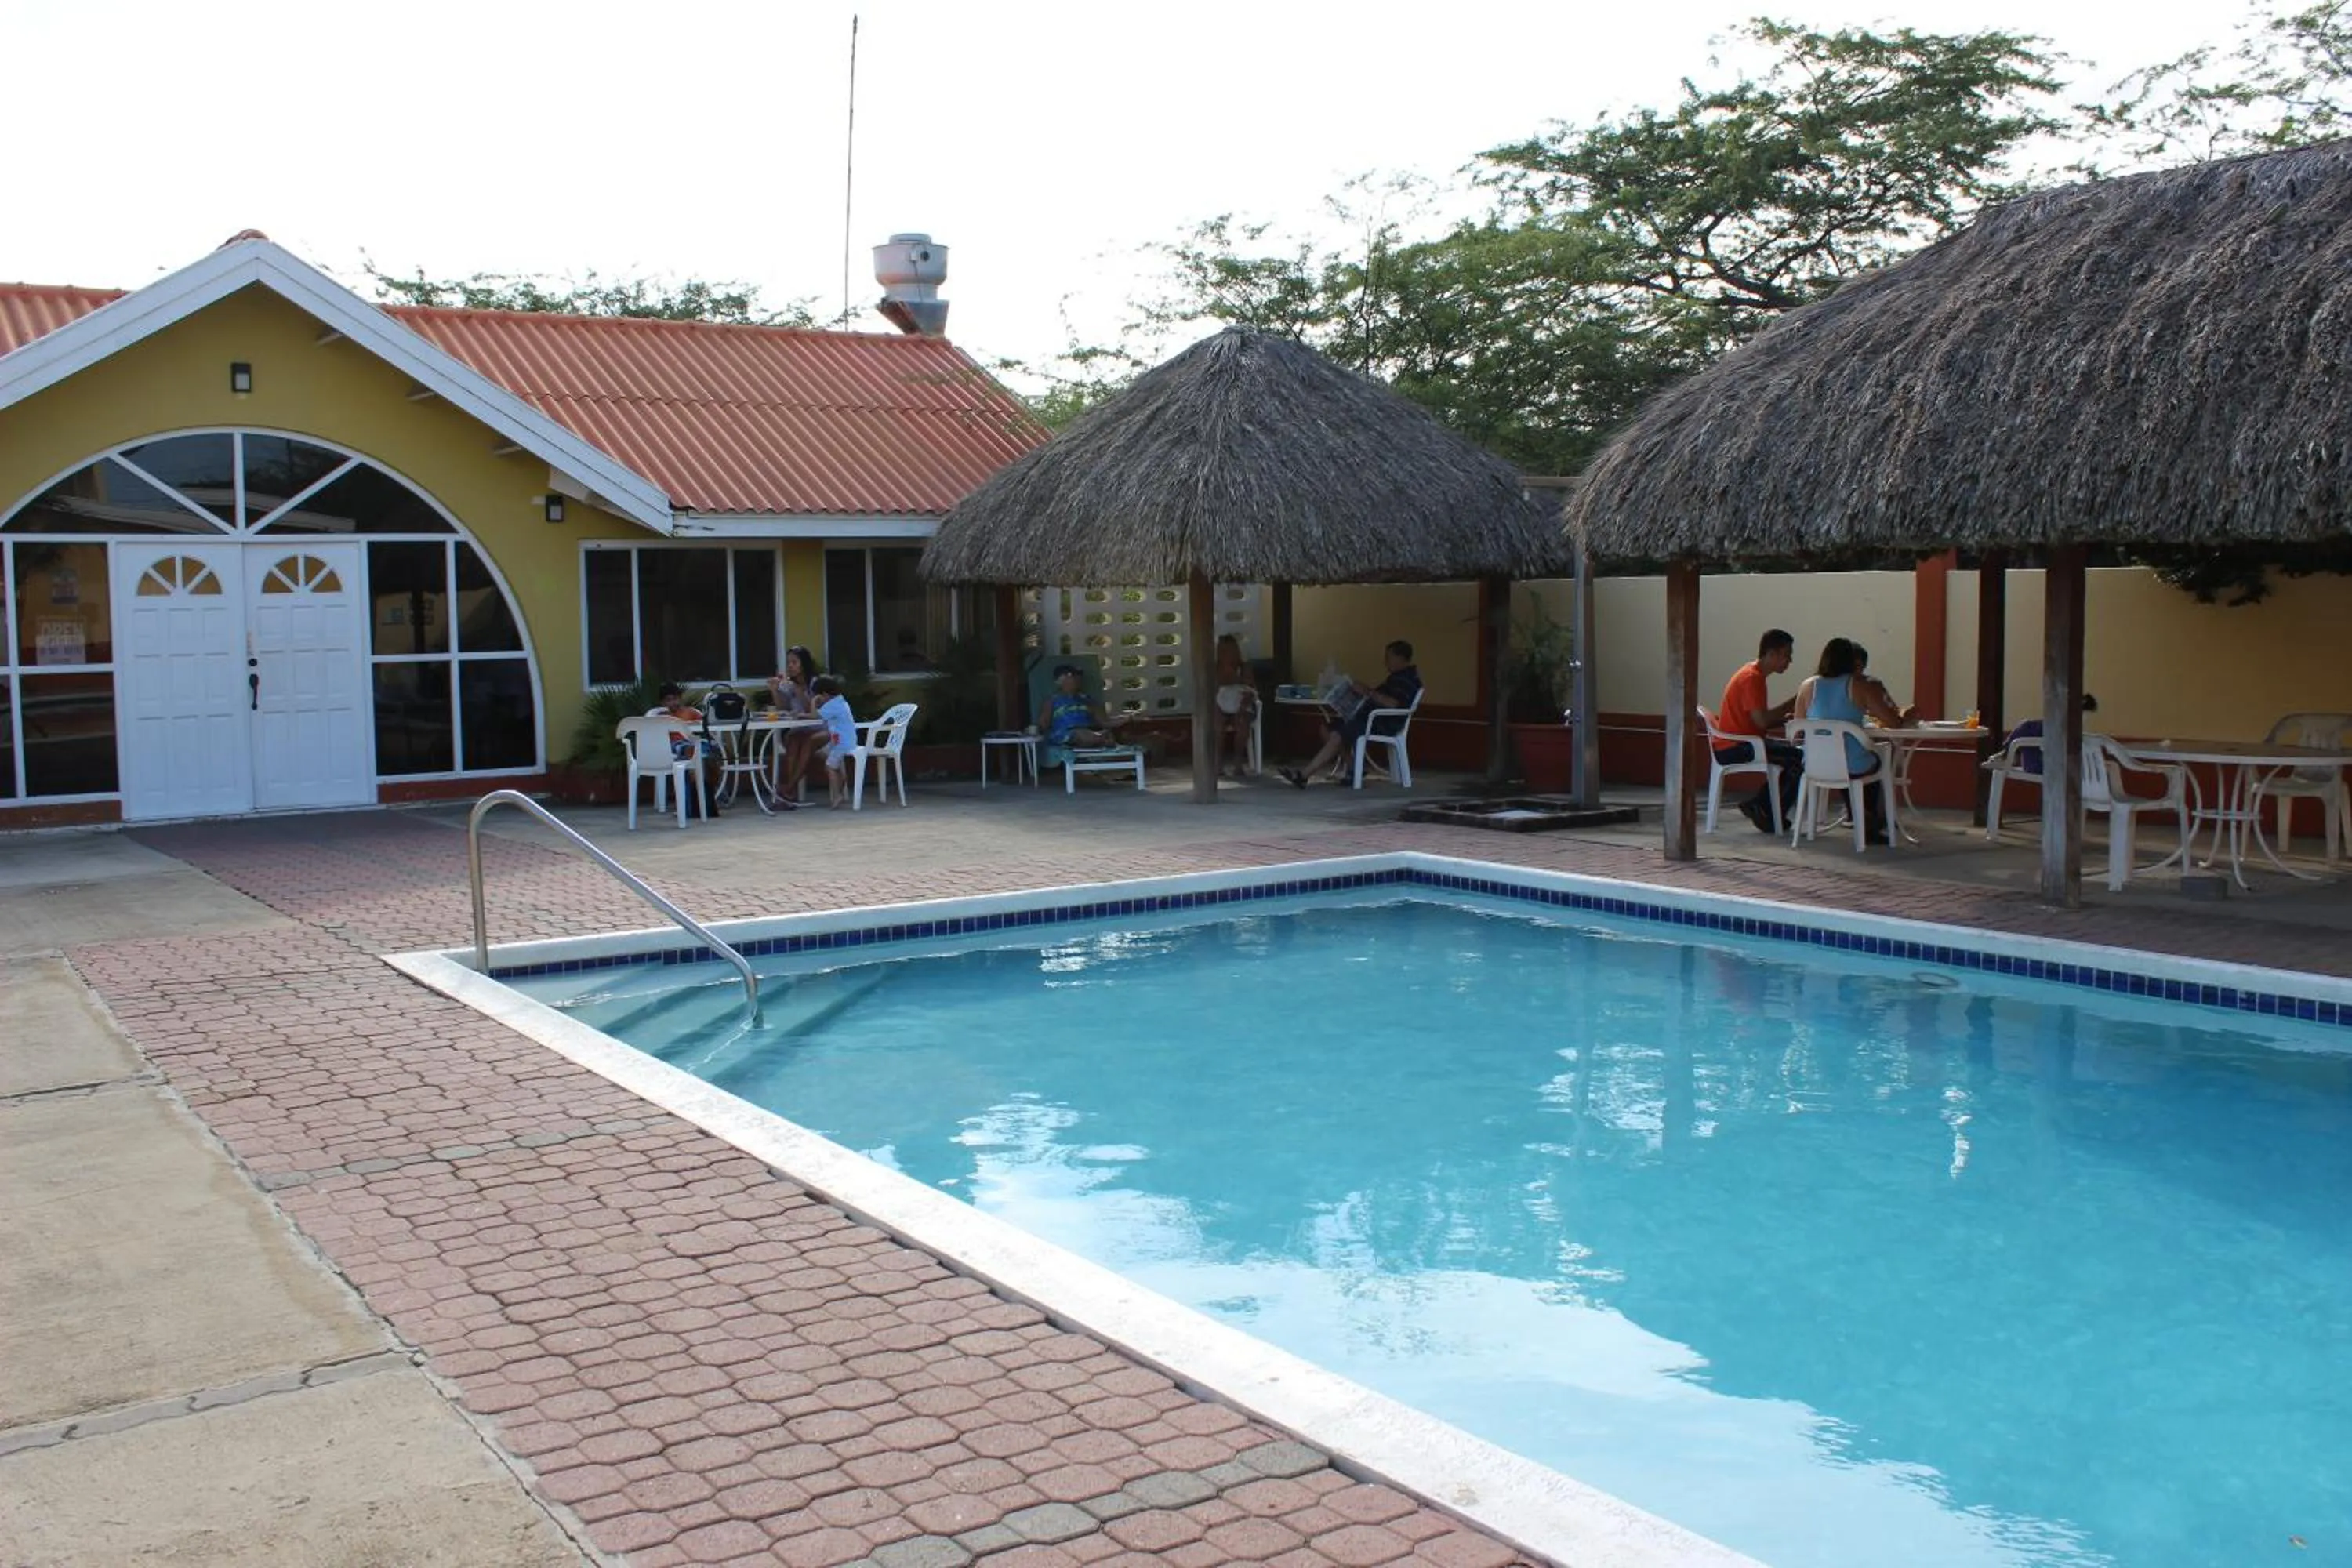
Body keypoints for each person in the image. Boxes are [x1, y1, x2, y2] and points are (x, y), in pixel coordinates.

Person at [1792, 638, 1907, 837]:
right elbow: (1893, 722)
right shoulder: (1860, 686)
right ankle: (1871, 817)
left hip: (1815, 764)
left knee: (1855, 757)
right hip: (1852, 765)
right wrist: (1909, 714)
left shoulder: (1807, 686)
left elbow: (1797, 732)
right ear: (1852, 661)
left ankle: (1859, 814)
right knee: (1879, 756)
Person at [1280, 640, 1421, 789]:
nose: (1385, 662)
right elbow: (1378, 697)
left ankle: (1303, 775)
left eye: (1388, 657)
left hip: (1382, 723)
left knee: (1338, 735)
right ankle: (1355, 768)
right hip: (1369, 718)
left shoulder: (1406, 680)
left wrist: (1368, 692)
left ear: (1400, 658)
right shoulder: (1395, 678)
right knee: (1328, 729)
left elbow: (1393, 704)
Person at [1714, 629, 1801, 831]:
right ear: (1771, 654)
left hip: (1743, 741)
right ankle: (1767, 810)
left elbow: (1758, 720)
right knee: (1799, 760)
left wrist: (1782, 720)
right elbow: (1761, 721)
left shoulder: (1753, 674)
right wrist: (1794, 702)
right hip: (1737, 746)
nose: (1789, 661)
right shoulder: (1752, 679)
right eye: (1787, 655)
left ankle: (1763, 806)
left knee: (1793, 756)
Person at [648, 683, 720, 817]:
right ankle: (694, 804)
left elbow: (704, 727)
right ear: (663, 702)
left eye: (675, 699)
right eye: (668, 700)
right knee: (693, 752)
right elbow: (656, 735)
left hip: (692, 743)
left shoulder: (691, 713)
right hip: (674, 747)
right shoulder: (662, 716)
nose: (673, 703)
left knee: (709, 751)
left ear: (680, 698)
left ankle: (704, 798)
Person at [766, 644, 823, 807]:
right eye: (788, 663)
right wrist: (775, 691)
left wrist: (799, 692)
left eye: (794, 662)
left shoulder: (815, 683)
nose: (790, 666)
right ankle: (791, 792)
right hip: (799, 728)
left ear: (803, 664)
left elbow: (812, 710)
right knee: (792, 741)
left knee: (805, 742)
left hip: (819, 728)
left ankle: (788, 789)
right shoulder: (788, 684)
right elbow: (782, 707)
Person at [1042, 663, 1132, 750]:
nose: (1076, 678)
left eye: (1078, 675)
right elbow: (1044, 722)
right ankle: (1100, 740)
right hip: (1065, 734)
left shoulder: (1088, 701)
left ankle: (1099, 739)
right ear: (1059, 681)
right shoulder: (1053, 701)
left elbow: (1105, 722)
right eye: (1071, 675)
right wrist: (1036, 732)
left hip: (1089, 731)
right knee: (1079, 734)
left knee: (1107, 733)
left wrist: (1128, 718)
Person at [2006, 694, 2099, 775]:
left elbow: (2009, 751)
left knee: (2109, 766)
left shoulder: (2031, 726)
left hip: (2041, 764)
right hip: (2049, 767)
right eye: (2083, 716)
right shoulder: (2056, 729)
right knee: (2109, 767)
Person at [1214, 634, 1259, 778]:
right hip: (1221, 704)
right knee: (1217, 724)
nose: (1227, 655)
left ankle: (1238, 763)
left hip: (1242, 703)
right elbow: (1211, 690)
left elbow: (1251, 691)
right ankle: (1217, 764)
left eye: (1230, 651)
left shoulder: (1245, 667)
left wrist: (1243, 705)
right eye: (1223, 652)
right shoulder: (1215, 668)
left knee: (1242, 723)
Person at [811, 673, 858, 808]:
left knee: (829, 766)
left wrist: (813, 702)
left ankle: (837, 795)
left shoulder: (832, 705)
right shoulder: (839, 701)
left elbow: (815, 715)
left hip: (842, 742)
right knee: (821, 753)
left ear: (825, 695)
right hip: (839, 739)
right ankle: (841, 776)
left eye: (819, 696)